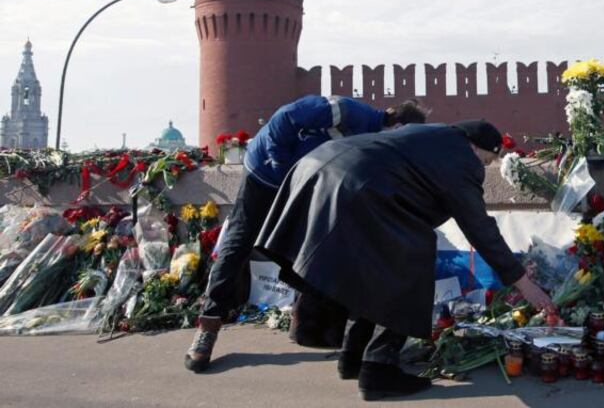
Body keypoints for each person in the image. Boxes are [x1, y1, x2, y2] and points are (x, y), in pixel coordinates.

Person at [254, 120, 554, 400]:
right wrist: (523, 282)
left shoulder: (428, 136)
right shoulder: (461, 158)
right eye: (487, 161)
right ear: (476, 147)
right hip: (357, 184)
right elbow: (479, 227)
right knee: (410, 262)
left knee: (371, 270)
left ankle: (353, 356)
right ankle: (378, 370)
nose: (483, 168)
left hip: (320, 167)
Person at [184, 95, 427, 374]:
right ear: (397, 125)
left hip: (299, 184)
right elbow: (285, 118)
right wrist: (280, 165)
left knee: (316, 250)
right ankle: (208, 326)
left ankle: (314, 328)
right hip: (264, 175)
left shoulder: (371, 139)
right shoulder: (348, 112)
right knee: (238, 243)